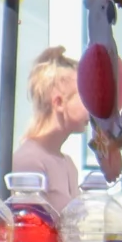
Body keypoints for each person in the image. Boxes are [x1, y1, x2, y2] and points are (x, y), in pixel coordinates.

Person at [11, 44, 89, 213]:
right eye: (86, 96)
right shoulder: (29, 162)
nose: (92, 105)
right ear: (59, 103)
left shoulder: (68, 164)